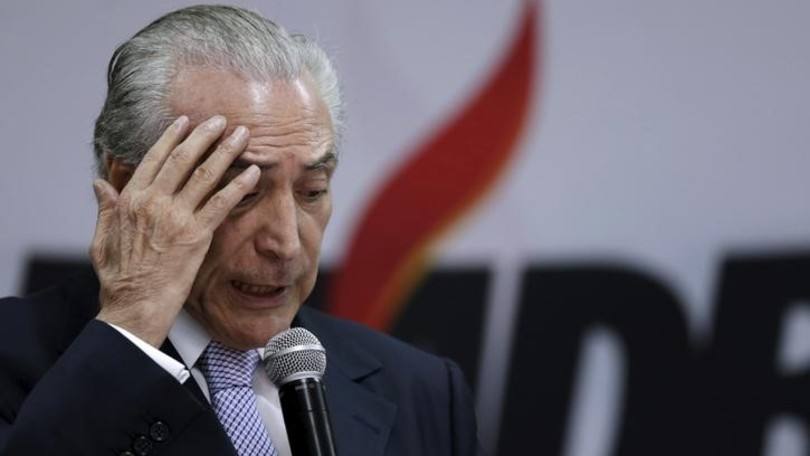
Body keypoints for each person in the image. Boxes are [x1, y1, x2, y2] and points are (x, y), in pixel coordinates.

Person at [0, 5, 480, 456]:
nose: (286, 244)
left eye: (312, 191)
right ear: (132, 189)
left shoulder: (422, 391)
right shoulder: (16, 358)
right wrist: (135, 319)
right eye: (243, 193)